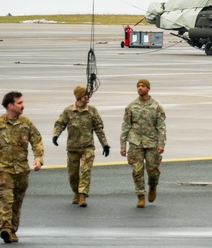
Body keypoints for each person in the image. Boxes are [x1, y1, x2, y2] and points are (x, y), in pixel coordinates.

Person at [0, 91, 44, 243]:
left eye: (22, 102)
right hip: (3, 170)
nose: (23, 105)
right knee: (6, 199)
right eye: (19, 103)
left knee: (17, 202)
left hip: (22, 170)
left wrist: (38, 159)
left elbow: (37, 141)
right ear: (10, 105)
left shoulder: (26, 123)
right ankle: (5, 228)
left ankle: (12, 230)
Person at [52, 85, 110, 207]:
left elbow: (99, 129)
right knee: (72, 175)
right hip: (72, 148)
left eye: (88, 95)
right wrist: (56, 135)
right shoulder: (68, 111)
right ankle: (76, 193)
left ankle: (83, 196)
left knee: (85, 171)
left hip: (87, 148)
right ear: (79, 97)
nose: (87, 97)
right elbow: (60, 124)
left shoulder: (92, 111)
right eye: (85, 95)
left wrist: (105, 144)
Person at [120, 78, 167, 208]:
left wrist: (161, 143)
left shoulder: (156, 106)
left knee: (153, 170)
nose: (140, 88)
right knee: (137, 170)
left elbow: (161, 127)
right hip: (136, 142)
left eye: (142, 86)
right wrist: (123, 146)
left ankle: (152, 186)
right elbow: (125, 126)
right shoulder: (131, 106)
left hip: (152, 142)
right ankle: (140, 195)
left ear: (148, 88)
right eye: (138, 86)